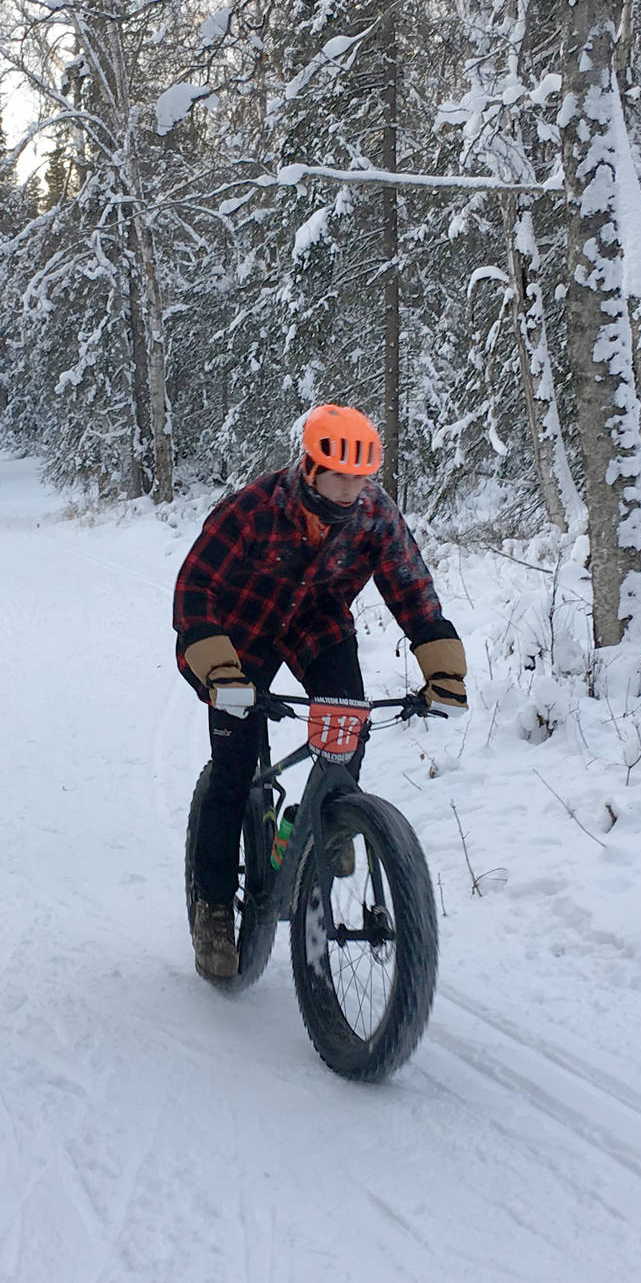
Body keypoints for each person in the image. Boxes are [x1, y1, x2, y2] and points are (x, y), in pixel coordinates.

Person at [172, 404, 467, 980]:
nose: (351, 490)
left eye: (361, 478)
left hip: (316, 624)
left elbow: (411, 586)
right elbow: (195, 587)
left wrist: (441, 667)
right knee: (233, 771)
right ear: (309, 468)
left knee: (347, 722)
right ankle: (211, 907)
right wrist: (217, 667)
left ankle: (329, 818)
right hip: (240, 632)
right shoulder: (253, 510)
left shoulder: (375, 516)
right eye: (339, 476)